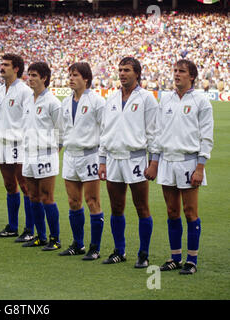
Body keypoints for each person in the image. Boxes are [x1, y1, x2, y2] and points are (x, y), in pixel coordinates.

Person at [148, 59, 214, 275]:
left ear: (191, 76)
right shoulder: (165, 99)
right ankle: (175, 257)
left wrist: (200, 166)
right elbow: (158, 133)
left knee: (190, 211)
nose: (177, 74)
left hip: (189, 161)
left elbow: (206, 136)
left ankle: (192, 259)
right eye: (175, 71)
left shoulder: (201, 101)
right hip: (167, 161)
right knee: (172, 210)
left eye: (182, 71)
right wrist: (154, 162)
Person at [98, 57, 158, 268]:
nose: (122, 73)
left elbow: (153, 133)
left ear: (137, 74)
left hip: (135, 158)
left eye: (127, 70)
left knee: (141, 207)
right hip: (113, 158)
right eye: (120, 70)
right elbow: (105, 131)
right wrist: (102, 160)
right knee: (116, 207)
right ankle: (119, 251)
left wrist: (154, 162)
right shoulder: (111, 98)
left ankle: (143, 253)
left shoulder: (147, 99)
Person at [59, 62, 105, 259]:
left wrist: (103, 158)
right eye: (70, 75)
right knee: (73, 201)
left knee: (92, 201)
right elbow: (62, 131)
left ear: (85, 78)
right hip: (70, 155)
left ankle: (95, 247)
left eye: (75, 75)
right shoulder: (65, 102)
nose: (71, 78)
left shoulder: (97, 101)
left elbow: (105, 130)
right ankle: (78, 244)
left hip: (89, 155)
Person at [0, 53, 35, 243]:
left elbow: (27, 119)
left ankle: (30, 229)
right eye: (1, 64)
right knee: (9, 185)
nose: (2, 67)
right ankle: (12, 226)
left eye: (6, 65)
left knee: (25, 186)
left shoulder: (25, 91)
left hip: (19, 143)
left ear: (16, 68)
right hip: (2, 142)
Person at [21, 62, 65, 251]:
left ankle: (55, 239)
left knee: (47, 197)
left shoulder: (53, 102)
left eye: (34, 75)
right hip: (28, 154)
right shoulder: (27, 100)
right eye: (29, 75)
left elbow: (61, 131)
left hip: (46, 154)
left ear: (44, 78)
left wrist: (54, 151)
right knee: (33, 197)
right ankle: (40, 236)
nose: (30, 79)